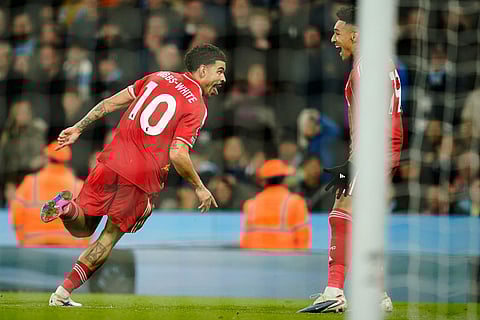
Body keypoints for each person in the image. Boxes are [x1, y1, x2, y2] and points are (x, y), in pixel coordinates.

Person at [41, 43, 227, 307]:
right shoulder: (198, 105)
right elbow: (177, 154)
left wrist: (78, 127)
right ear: (203, 70)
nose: (223, 78)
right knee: (107, 238)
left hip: (110, 160)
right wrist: (199, 186)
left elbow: (108, 104)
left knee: (84, 227)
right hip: (140, 178)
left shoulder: (158, 77)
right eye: (220, 71)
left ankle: (66, 209)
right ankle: (62, 294)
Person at [297, 5, 403, 313]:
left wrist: (358, 158)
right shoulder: (379, 61)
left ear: (356, 35)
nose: (332, 39)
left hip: (376, 147)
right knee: (362, 219)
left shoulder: (367, 64)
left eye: (337, 32)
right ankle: (377, 293)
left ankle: (333, 291)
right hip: (385, 147)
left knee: (341, 207)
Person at [9, 142, 87, 247]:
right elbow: (89, 219)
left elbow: (16, 211)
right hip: (69, 245)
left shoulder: (30, 182)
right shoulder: (78, 186)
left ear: (47, 158)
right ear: (67, 161)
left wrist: (22, 240)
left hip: (34, 244)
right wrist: (82, 245)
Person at [240, 159, 311, 250]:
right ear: (284, 178)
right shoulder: (296, 203)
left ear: (264, 181)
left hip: (256, 261)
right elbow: (303, 241)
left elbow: (245, 241)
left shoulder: (250, 205)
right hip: (286, 261)